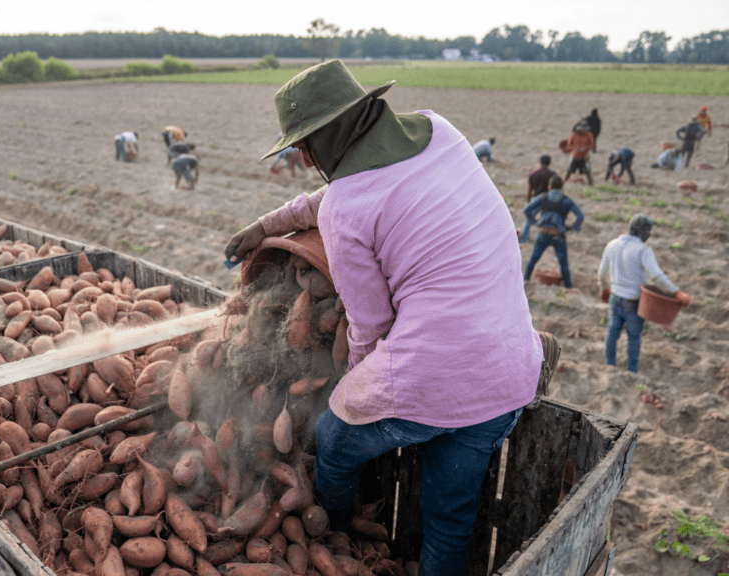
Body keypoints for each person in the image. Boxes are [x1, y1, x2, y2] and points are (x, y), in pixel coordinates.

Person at [223, 60, 551, 575]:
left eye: (306, 143)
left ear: (332, 134)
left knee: (335, 436)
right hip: (506, 373)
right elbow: (355, 194)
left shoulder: (346, 211)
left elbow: (370, 326)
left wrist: (350, 388)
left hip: (431, 372)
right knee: (450, 514)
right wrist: (268, 223)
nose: (305, 159)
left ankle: (325, 535)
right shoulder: (441, 132)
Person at [598, 214, 690, 373]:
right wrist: (676, 292)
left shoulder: (612, 244)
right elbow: (657, 276)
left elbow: (601, 273)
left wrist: (604, 289)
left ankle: (609, 366)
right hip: (633, 301)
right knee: (634, 337)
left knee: (612, 333)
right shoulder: (642, 250)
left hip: (615, 296)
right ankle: (631, 371)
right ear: (644, 233)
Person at [521, 175, 584, 288]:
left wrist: (534, 221)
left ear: (549, 186)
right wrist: (573, 227)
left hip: (544, 234)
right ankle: (568, 287)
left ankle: (526, 279)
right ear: (562, 187)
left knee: (534, 259)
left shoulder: (543, 197)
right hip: (558, 236)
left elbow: (526, 209)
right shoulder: (566, 200)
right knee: (563, 263)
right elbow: (581, 216)